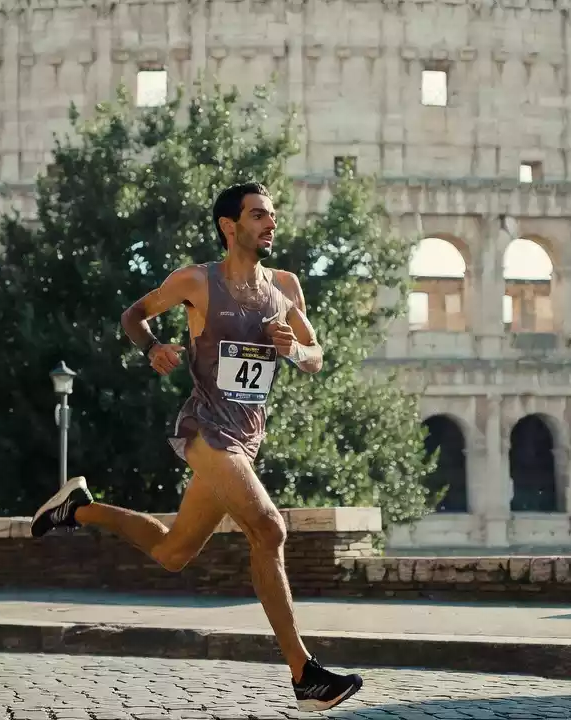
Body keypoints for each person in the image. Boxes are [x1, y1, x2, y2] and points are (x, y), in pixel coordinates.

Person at [29, 181, 364, 712]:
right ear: (230, 227)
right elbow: (133, 315)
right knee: (269, 528)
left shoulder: (286, 286)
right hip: (205, 429)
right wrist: (154, 347)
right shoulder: (197, 281)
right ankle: (305, 674)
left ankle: (78, 507)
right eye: (258, 216)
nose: (270, 224)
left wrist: (296, 349)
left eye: (272, 215)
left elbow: (316, 355)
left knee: (172, 552)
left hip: (247, 437)